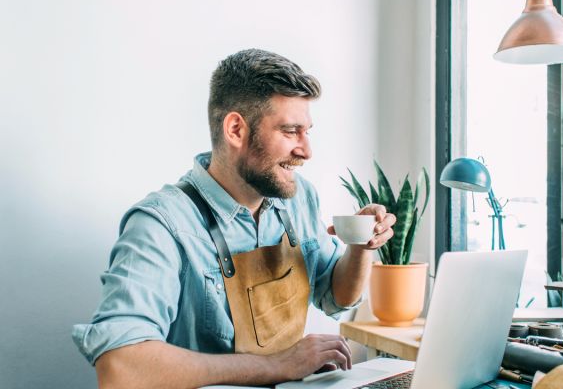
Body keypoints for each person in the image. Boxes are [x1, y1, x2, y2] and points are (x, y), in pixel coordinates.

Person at [72, 49, 396, 388]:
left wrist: (361, 246)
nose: (306, 150)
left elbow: (335, 295)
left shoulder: (300, 197)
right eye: (290, 131)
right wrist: (276, 366)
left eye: (307, 131)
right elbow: (120, 368)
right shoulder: (160, 225)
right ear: (236, 130)